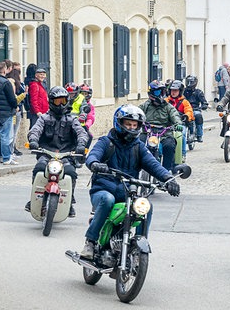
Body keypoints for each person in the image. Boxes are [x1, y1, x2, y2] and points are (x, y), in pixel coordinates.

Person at [79, 104, 180, 259]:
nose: (132, 128)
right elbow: (93, 155)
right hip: (103, 189)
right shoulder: (106, 142)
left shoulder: (138, 146)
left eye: (135, 125)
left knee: (146, 206)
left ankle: (140, 242)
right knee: (108, 199)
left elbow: (153, 164)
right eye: (128, 124)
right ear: (119, 123)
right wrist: (95, 164)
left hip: (127, 192)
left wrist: (168, 179)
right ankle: (90, 242)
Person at [26, 86, 88, 217]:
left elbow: (81, 133)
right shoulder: (44, 118)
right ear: (51, 102)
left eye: (63, 101)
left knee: (71, 172)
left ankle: (70, 200)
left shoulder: (72, 119)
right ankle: (34, 198)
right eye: (57, 101)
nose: (60, 105)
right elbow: (35, 130)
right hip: (46, 153)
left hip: (66, 155)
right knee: (39, 168)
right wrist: (33, 141)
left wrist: (81, 145)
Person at [139, 80, 183, 171]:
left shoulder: (168, 107)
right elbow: (137, 113)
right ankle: (136, 168)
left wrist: (178, 124)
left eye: (162, 91)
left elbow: (175, 116)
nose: (160, 94)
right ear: (151, 93)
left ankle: (167, 170)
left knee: (169, 145)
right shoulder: (145, 106)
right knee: (138, 144)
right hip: (148, 132)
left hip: (164, 133)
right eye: (157, 91)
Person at [0, 61, 18, 165]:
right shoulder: (6, 83)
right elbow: (12, 99)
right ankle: (6, 158)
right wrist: (15, 106)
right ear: (5, 70)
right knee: (6, 136)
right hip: (6, 113)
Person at [165, 80, 193, 162]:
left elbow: (189, 111)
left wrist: (186, 116)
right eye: (172, 90)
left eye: (175, 91)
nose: (173, 92)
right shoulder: (166, 101)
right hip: (167, 124)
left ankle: (182, 154)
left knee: (182, 134)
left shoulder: (184, 102)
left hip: (180, 123)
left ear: (180, 91)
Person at [183, 75, 208, 141]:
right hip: (185, 109)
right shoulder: (183, 91)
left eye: (191, 82)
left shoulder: (198, 92)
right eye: (188, 82)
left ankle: (199, 135)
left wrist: (204, 106)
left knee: (198, 116)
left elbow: (204, 102)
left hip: (195, 109)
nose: (189, 84)